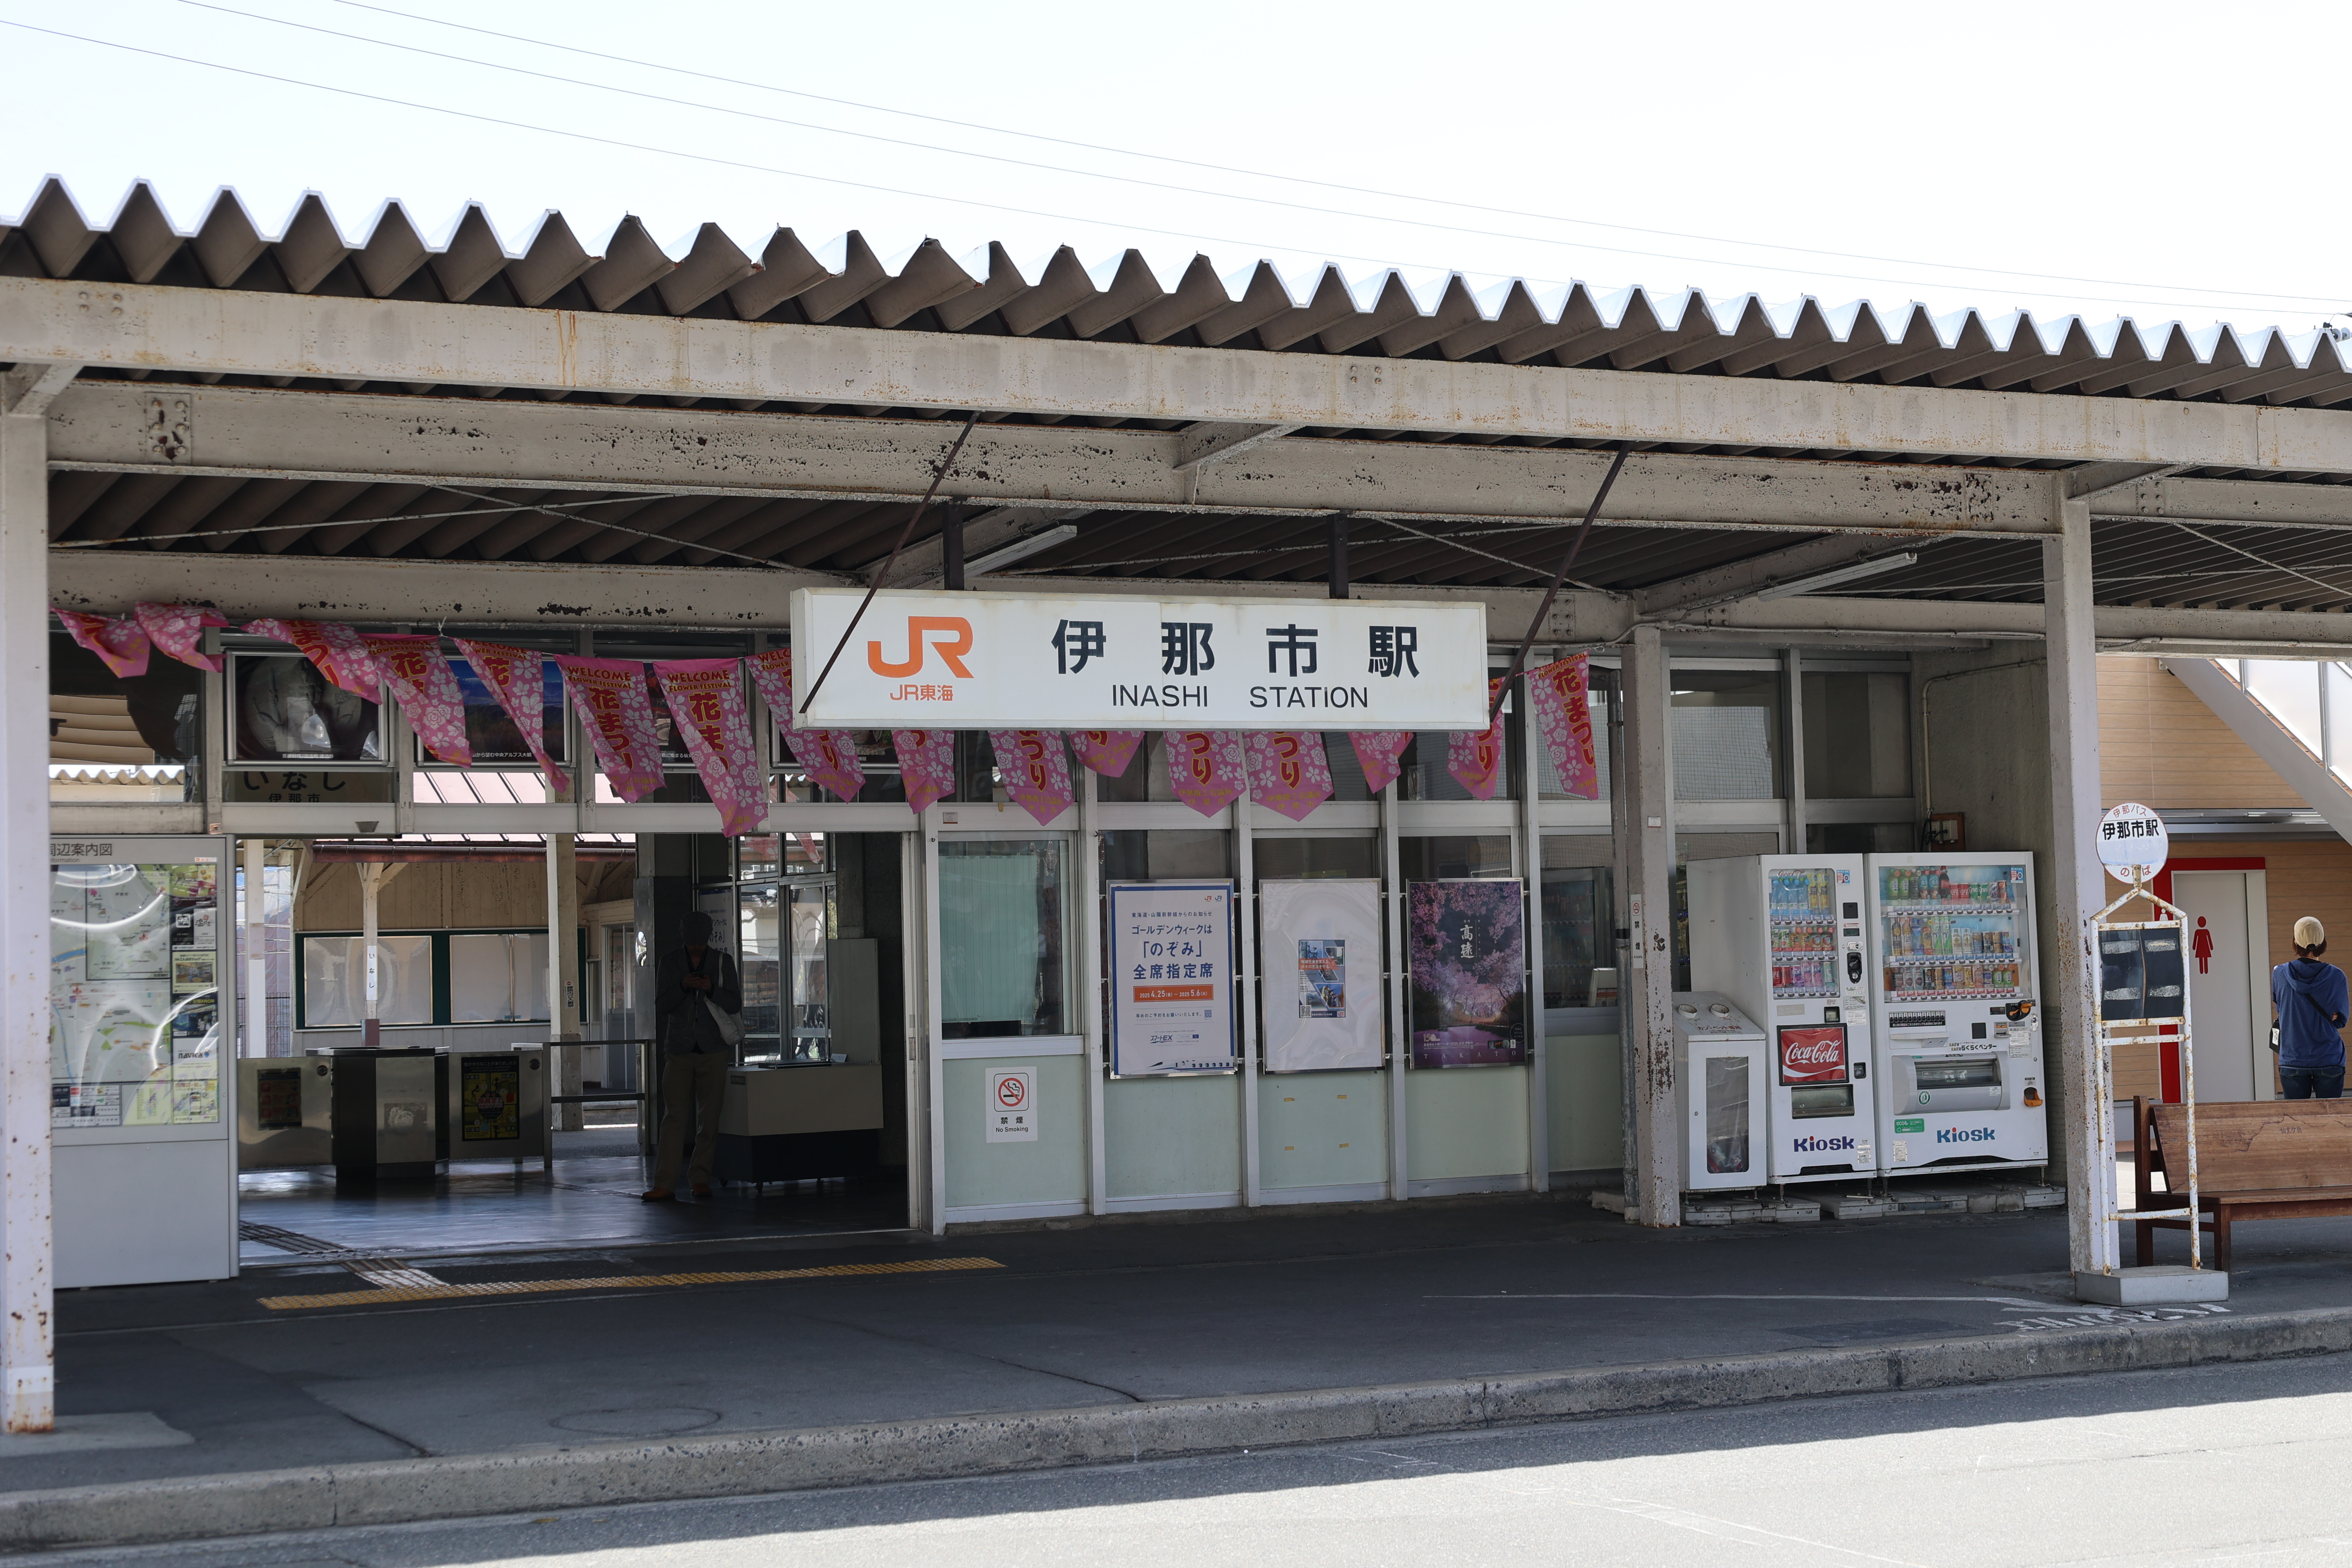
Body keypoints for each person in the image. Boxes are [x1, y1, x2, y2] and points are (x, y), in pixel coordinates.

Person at [641, 911, 742, 1200]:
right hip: (679, 1050)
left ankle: (700, 1179)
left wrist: (711, 988)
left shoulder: (723, 963)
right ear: (683, 935)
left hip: (714, 1050)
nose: (697, 946)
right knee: (673, 1118)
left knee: (709, 1119)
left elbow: (735, 1003)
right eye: (692, 940)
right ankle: (665, 1183)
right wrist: (684, 986)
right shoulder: (669, 962)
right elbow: (662, 1005)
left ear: (709, 936)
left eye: (702, 940)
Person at [2271, 916, 2349, 1100]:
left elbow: (2282, 1009)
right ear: (2323, 942)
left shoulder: (2280, 974)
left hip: (2293, 1057)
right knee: (2331, 1121)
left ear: (2295, 942)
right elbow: (2341, 1020)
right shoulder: (2337, 976)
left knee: (2297, 1121)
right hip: (2329, 1057)